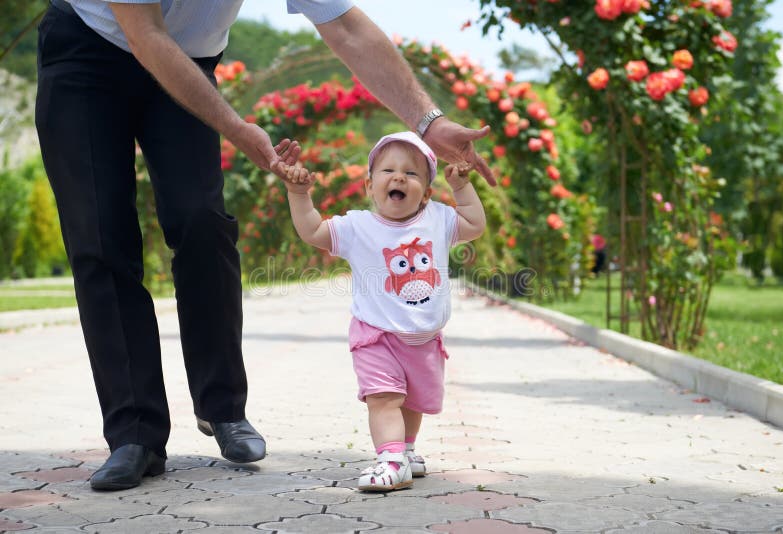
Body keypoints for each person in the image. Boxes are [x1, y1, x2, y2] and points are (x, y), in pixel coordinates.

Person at [35, 0, 494, 491]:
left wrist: (428, 122)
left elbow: (346, 28)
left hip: (188, 62)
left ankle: (223, 408)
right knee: (100, 236)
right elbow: (145, 35)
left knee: (202, 222)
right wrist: (237, 129)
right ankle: (134, 433)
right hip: (88, 50)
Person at [277, 131, 486, 491]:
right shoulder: (358, 226)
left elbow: (474, 224)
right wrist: (299, 194)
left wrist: (463, 187)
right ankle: (390, 459)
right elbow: (313, 230)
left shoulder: (438, 218)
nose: (399, 177)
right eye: (388, 170)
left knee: (413, 401)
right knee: (385, 397)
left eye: (413, 173)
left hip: (423, 337)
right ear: (370, 185)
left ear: (428, 192)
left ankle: (405, 448)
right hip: (376, 335)